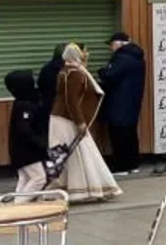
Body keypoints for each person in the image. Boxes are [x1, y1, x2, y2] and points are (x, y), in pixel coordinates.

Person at [51, 44, 121, 202]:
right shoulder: (74, 73)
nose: (87, 54)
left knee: (74, 152)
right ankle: (82, 189)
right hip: (67, 119)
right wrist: (80, 122)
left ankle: (78, 188)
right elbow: (72, 101)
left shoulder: (67, 71)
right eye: (84, 52)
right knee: (75, 153)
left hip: (62, 118)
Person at [97, 31, 146, 176]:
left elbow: (109, 75)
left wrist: (101, 71)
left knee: (119, 135)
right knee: (130, 134)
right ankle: (133, 164)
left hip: (118, 103)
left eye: (111, 44)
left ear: (119, 43)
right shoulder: (137, 57)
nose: (110, 48)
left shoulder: (121, 58)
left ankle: (122, 167)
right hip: (132, 102)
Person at [6, 70, 48, 194]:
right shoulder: (24, 105)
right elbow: (24, 129)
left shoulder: (21, 102)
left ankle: (16, 206)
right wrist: (39, 141)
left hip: (21, 150)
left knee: (25, 179)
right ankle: (19, 205)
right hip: (27, 152)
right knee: (39, 178)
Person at [37, 44, 65, 114]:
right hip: (62, 107)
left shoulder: (46, 68)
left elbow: (40, 84)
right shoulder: (67, 70)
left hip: (47, 105)